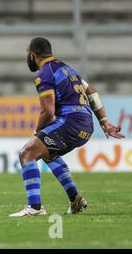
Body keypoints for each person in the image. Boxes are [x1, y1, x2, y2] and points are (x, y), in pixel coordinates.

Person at [9, 37, 124, 217]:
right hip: (86, 124)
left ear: (32, 54)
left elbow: (47, 112)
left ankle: (35, 207)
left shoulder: (45, 74)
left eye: (27, 53)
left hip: (70, 122)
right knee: (47, 152)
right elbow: (92, 91)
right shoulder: (68, 69)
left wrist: (36, 133)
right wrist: (104, 122)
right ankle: (75, 198)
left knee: (27, 153)